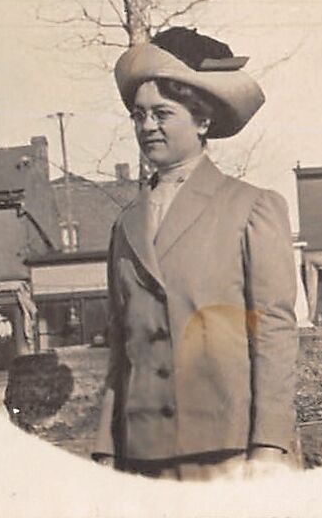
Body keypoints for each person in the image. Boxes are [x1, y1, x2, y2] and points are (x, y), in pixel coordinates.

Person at [93, 27, 298, 481]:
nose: (147, 126)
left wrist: (269, 445)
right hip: (142, 454)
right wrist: (107, 448)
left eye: (162, 113)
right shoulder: (124, 225)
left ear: (202, 121)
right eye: (138, 115)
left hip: (227, 449)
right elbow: (119, 350)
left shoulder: (252, 208)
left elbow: (275, 332)